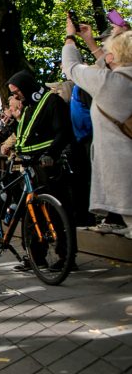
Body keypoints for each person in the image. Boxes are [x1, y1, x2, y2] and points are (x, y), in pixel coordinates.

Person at [63, 18, 132, 238]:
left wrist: (70, 37)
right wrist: (91, 43)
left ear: (113, 56)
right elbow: (112, 66)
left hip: (124, 171)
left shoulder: (108, 84)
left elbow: (72, 68)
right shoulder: (120, 79)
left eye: (106, 50)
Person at [7, 68, 76, 271]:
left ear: (27, 87)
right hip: (31, 166)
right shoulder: (29, 106)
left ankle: (66, 257)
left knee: (57, 211)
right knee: (31, 212)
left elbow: (63, 131)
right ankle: (36, 257)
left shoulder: (52, 102)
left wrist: (51, 154)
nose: (15, 96)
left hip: (49, 166)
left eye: (16, 91)